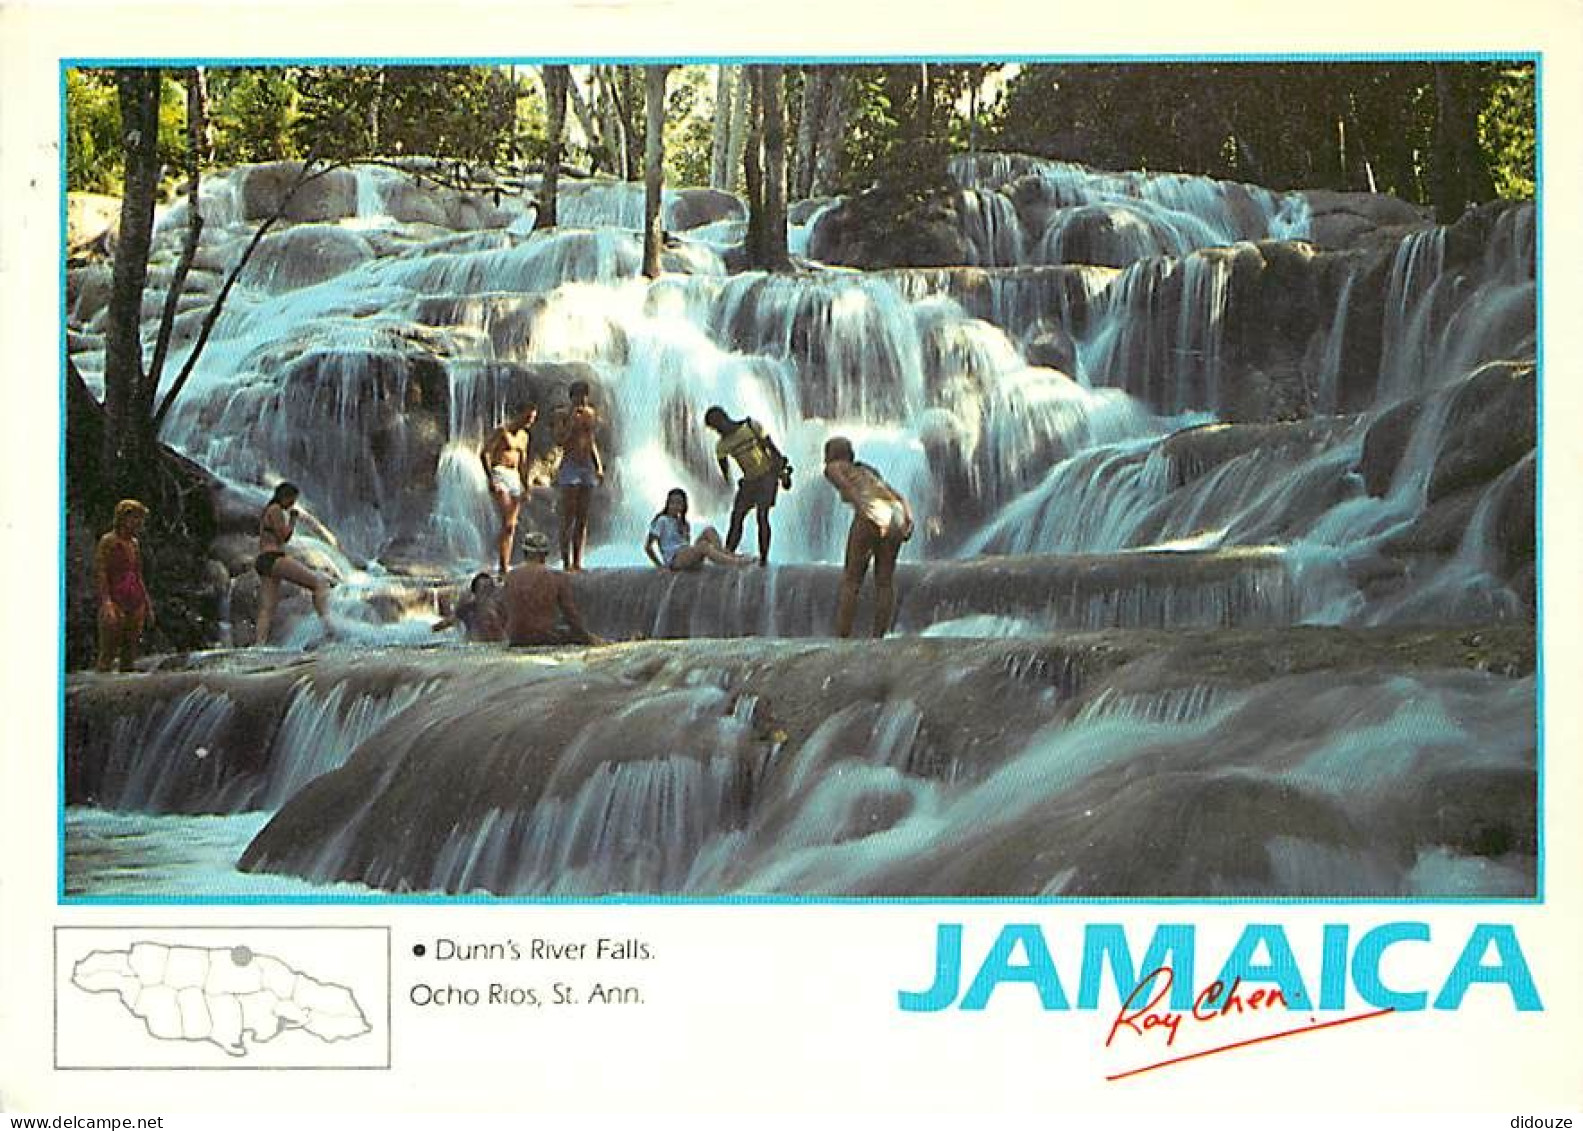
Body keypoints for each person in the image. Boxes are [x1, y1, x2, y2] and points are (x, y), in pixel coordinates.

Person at [822, 437, 914, 639]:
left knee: (852, 580)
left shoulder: (835, 467)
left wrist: (865, 510)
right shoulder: (868, 471)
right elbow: (899, 497)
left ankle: (842, 638)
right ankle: (878, 636)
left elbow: (846, 487)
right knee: (885, 581)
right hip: (896, 516)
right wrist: (908, 521)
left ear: (831, 454)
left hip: (870, 516)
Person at [704, 405, 790, 567]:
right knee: (737, 516)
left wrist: (782, 472)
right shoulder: (721, 446)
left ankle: (764, 559)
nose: (717, 431)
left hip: (767, 476)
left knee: (762, 515)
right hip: (749, 481)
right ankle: (728, 553)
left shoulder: (750, 426)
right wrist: (727, 484)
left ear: (724, 418)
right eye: (714, 429)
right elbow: (725, 471)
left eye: (717, 426)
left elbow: (771, 447)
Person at [254, 481, 336, 646]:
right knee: (318, 583)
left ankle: (258, 645)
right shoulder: (276, 510)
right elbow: (283, 536)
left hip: (263, 560)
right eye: (292, 499)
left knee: (267, 608)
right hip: (274, 557)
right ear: (285, 496)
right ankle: (328, 628)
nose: (292, 504)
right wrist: (292, 520)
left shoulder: (267, 511)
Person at [503, 530, 601, 646]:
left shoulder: (510, 577)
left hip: (516, 639)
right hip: (544, 638)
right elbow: (570, 615)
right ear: (545, 554)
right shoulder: (556, 577)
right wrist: (588, 638)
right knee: (572, 634)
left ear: (524, 552)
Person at [94, 498, 154, 672]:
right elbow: (101, 572)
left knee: (130, 652)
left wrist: (147, 603)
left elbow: (138, 573)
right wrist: (106, 602)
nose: (138, 523)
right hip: (115, 600)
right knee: (108, 651)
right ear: (123, 518)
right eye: (135, 518)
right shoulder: (108, 541)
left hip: (134, 599)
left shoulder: (135, 544)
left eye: (140, 519)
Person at [481, 403, 538, 577]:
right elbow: (484, 453)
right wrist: (491, 479)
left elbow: (523, 462)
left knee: (511, 526)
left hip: (514, 477)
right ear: (520, 413)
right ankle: (503, 566)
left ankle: (503, 564)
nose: (530, 421)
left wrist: (526, 485)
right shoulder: (502, 431)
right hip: (500, 474)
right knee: (508, 522)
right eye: (528, 417)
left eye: (533, 419)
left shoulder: (524, 436)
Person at [552, 380, 603, 573]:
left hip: (586, 466)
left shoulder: (590, 414)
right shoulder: (562, 415)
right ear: (571, 397)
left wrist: (598, 465)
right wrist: (571, 424)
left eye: (584, 396)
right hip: (570, 466)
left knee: (583, 517)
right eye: (578, 396)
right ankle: (566, 563)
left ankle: (578, 562)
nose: (581, 400)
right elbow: (559, 441)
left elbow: (591, 440)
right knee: (568, 516)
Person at [643, 488, 755, 571]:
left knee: (709, 530)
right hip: (674, 559)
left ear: (683, 506)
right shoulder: (662, 520)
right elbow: (648, 547)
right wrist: (660, 566)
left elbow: (685, 544)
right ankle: (735, 563)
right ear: (667, 504)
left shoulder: (683, 523)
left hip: (686, 555)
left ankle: (728, 555)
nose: (675, 506)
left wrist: (685, 531)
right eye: (672, 503)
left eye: (679, 503)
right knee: (703, 546)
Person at [430, 572, 506, 642]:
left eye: (490, 589)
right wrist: (431, 629)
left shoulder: (501, 610)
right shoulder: (467, 610)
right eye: (483, 589)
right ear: (475, 593)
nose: (487, 593)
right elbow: (446, 623)